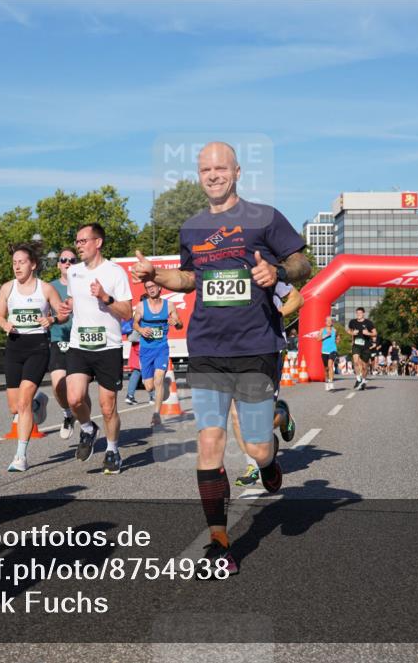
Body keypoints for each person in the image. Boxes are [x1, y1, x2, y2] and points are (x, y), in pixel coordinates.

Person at [131, 141, 310, 575]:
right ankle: (219, 542)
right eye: (205, 170)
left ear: (237, 172)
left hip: (255, 346)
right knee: (210, 441)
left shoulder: (265, 217)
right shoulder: (192, 227)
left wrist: (277, 271)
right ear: (199, 175)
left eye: (221, 168)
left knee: (256, 446)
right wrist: (157, 275)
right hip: (207, 347)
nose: (213, 175)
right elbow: (189, 278)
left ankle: (271, 447)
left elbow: (302, 264)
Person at [58, 223, 133, 475]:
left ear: (98, 242)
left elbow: (127, 312)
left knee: (107, 406)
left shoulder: (115, 272)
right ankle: (88, 428)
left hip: (108, 346)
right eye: (77, 242)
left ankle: (112, 450)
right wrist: (67, 307)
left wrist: (105, 297)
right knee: (74, 398)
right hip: (79, 344)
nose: (78, 246)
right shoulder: (74, 272)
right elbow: (74, 300)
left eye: (83, 241)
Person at [0, 242, 66, 472]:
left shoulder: (45, 289)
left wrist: (52, 319)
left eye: (22, 262)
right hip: (14, 346)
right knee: (14, 407)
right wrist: (4, 324)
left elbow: (63, 314)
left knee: (23, 401)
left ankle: (20, 456)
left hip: (38, 346)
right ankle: (39, 403)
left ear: (33, 264)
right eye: (14, 263)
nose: (17, 267)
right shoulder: (7, 288)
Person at [234, 281, 302, 487]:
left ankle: (282, 415)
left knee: (261, 419)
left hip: (268, 349)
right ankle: (252, 465)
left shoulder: (266, 272)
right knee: (237, 413)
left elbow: (297, 298)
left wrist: (276, 315)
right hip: (235, 350)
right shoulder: (226, 272)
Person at [134, 280, 182, 427]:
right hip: (146, 349)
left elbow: (180, 324)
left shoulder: (169, 305)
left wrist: (176, 323)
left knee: (159, 379)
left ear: (159, 287)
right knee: (149, 387)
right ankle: (165, 386)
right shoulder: (141, 306)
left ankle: (156, 414)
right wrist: (141, 330)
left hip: (161, 348)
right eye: (148, 287)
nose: (151, 289)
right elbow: (135, 323)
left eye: (153, 286)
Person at [47, 247, 78, 439]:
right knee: (58, 384)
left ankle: (86, 426)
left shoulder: (84, 285)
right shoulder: (49, 287)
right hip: (58, 340)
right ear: (58, 264)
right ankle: (68, 414)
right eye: (64, 260)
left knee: (78, 391)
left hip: (80, 341)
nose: (68, 263)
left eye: (72, 260)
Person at [348, 307, 376, 390]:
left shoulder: (368, 323)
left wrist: (368, 333)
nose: (358, 314)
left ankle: (363, 381)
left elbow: (375, 333)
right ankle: (358, 379)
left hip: (366, 346)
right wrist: (352, 332)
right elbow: (348, 331)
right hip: (356, 345)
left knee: (365, 366)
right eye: (357, 313)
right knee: (355, 361)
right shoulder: (352, 322)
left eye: (360, 313)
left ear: (363, 313)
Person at [320, 316, 337, 391]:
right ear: (325, 322)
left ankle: (331, 383)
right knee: (326, 369)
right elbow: (318, 339)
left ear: (332, 322)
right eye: (328, 321)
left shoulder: (334, 330)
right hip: (324, 351)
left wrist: (337, 340)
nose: (329, 322)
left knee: (330, 366)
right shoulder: (322, 330)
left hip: (333, 350)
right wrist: (325, 336)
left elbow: (337, 338)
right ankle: (327, 382)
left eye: (330, 321)